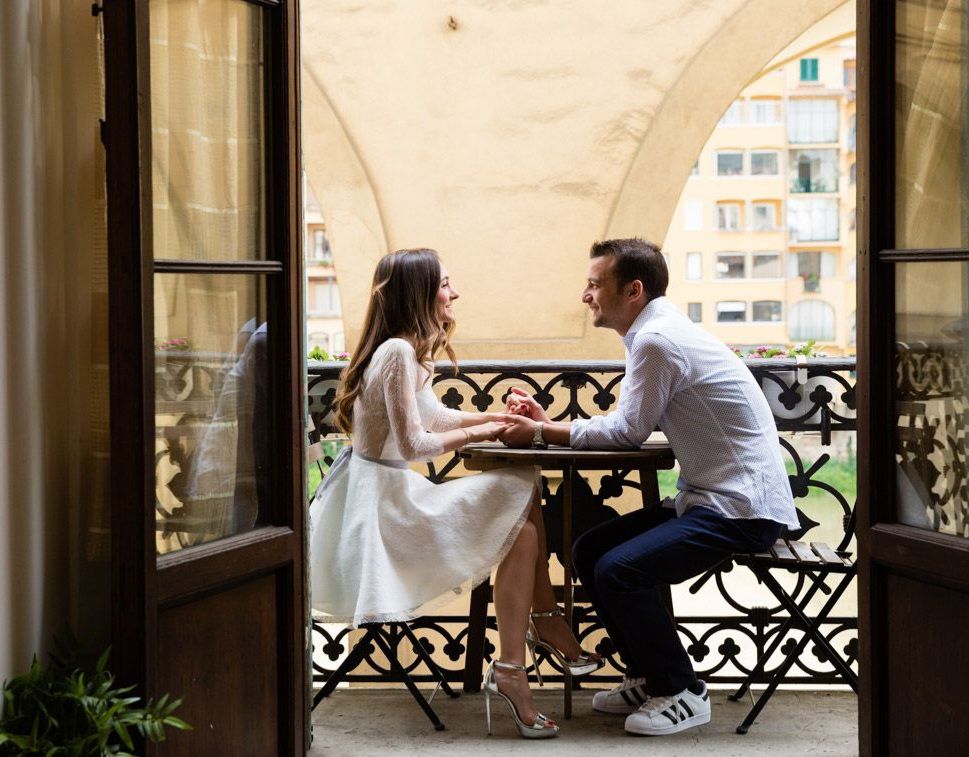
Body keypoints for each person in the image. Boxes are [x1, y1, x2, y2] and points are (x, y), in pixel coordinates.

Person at [498, 238, 798, 737]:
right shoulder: (657, 332)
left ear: (633, 290)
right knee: (591, 549)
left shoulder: (658, 339)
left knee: (619, 570)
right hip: (709, 497)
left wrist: (539, 432)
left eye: (595, 284)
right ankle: (648, 675)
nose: (585, 295)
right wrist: (550, 426)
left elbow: (626, 432)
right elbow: (629, 421)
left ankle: (683, 690)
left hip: (743, 508)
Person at [309, 248, 602, 739]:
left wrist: (496, 420)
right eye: (445, 284)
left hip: (382, 493)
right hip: (387, 510)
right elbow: (416, 444)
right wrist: (484, 433)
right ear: (419, 293)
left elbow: (438, 417)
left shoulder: (399, 349)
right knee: (522, 490)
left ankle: (518, 659)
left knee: (524, 529)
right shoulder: (397, 353)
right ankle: (541, 630)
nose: (455, 292)